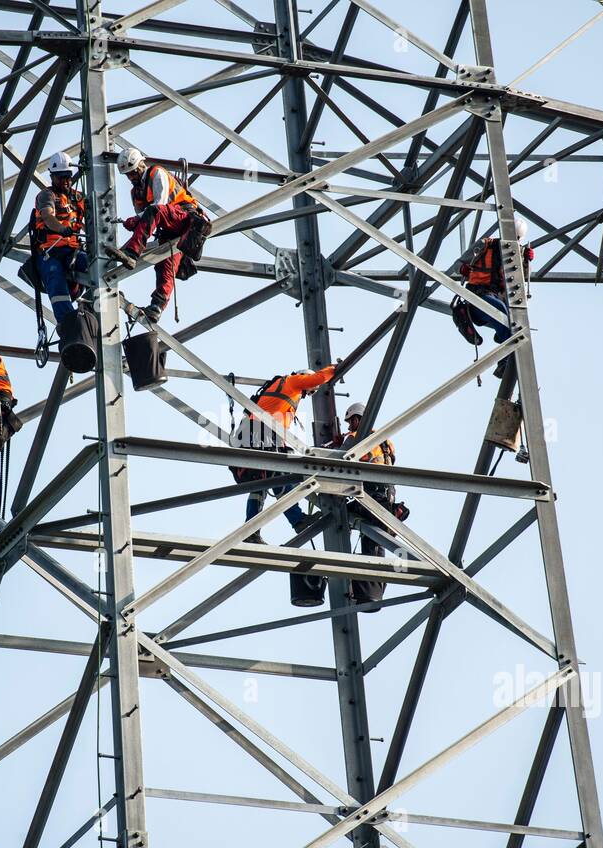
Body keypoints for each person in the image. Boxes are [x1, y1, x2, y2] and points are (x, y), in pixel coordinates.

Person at [231, 365, 336, 544]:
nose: (307, 394)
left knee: (261, 486)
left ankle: (251, 531)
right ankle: (297, 520)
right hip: (260, 433)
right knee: (278, 477)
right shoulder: (293, 381)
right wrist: (334, 368)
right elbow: (318, 378)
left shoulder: (283, 388)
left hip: (257, 435)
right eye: (309, 391)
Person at [111, 147, 211, 321]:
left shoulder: (156, 173)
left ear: (141, 165)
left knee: (155, 211)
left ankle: (131, 253)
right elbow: (144, 221)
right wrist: (135, 222)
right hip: (169, 226)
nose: (131, 177)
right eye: (128, 175)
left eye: (133, 172)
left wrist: (135, 220)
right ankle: (157, 306)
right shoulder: (136, 193)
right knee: (165, 264)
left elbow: (159, 205)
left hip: (186, 218)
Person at [337, 401, 402, 609]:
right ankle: (373, 591)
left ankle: (366, 591)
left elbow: (338, 460)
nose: (349, 426)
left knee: (339, 515)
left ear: (358, 419)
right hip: (388, 498)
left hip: (370, 497)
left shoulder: (354, 439)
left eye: (351, 421)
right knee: (376, 542)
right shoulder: (385, 440)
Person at [451, 218, 535, 361]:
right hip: (477, 297)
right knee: (501, 310)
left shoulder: (518, 255)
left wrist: (526, 262)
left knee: (514, 322)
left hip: (497, 298)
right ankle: (507, 356)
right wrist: (464, 269)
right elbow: (457, 265)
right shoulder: (486, 245)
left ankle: (507, 359)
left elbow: (523, 280)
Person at [28, 151, 88, 324]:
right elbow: (48, 217)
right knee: (55, 278)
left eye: (68, 177)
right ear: (53, 177)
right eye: (61, 177)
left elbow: (91, 220)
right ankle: (69, 323)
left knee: (92, 264)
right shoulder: (46, 196)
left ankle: (93, 308)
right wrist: (62, 229)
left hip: (72, 251)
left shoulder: (77, 198)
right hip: (50, 252)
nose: (65, 181)